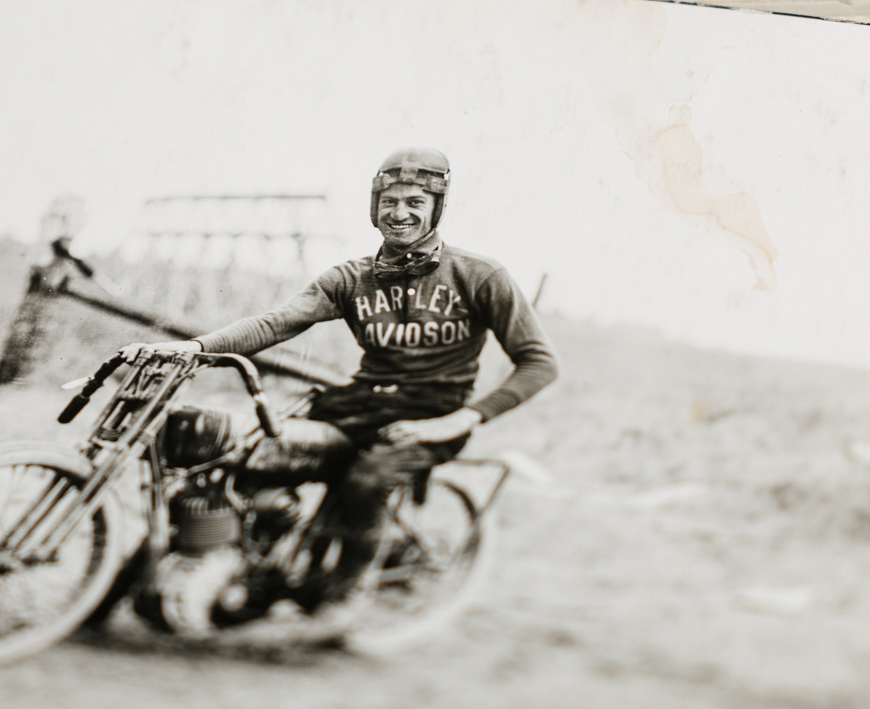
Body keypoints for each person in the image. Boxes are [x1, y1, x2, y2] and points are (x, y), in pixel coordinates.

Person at [129, 147, 558, 617]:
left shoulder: (480, 276)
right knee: (243, 454)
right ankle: (250, 566)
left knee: (366, 481)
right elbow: (277, 322)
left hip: (429, 419)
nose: (400, 214)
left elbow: (539, 363)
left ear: (437, 208)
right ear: (374, 207)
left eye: (415, 202)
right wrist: (196, 348)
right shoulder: (351, 278)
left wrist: (460, 420)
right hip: (356, 406)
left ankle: (347, 594)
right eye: (389, 202)